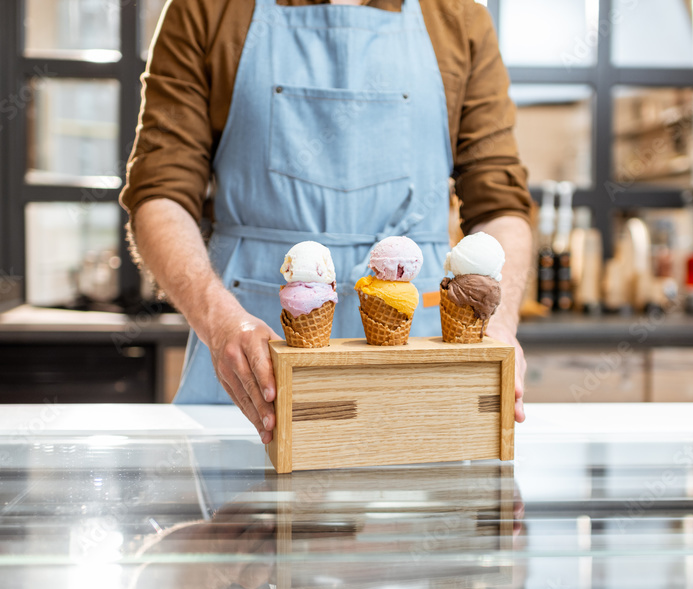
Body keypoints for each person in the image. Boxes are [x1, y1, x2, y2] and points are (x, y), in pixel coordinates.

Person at [120, 0, 534, 444]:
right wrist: (220, 323)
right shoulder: (206, 9)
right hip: (251, 369)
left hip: (420, 366)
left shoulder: (458, 18)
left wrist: (497, 323)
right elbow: (160, 194)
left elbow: (500, 206)